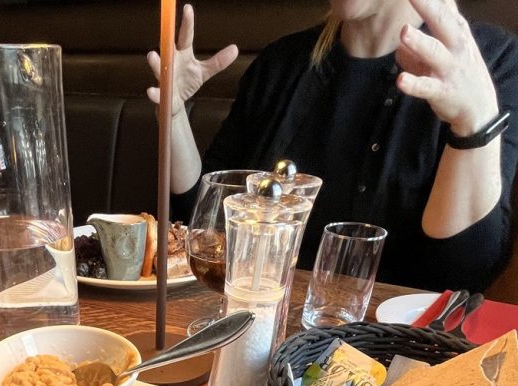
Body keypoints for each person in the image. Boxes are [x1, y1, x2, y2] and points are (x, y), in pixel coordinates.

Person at [146, 0, 518, 291]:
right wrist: (174, 115)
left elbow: (461, 274)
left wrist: (474, 122)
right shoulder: (280, 64)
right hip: (257, 323)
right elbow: (204, 223)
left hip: (399, 353)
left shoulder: (490, 62)